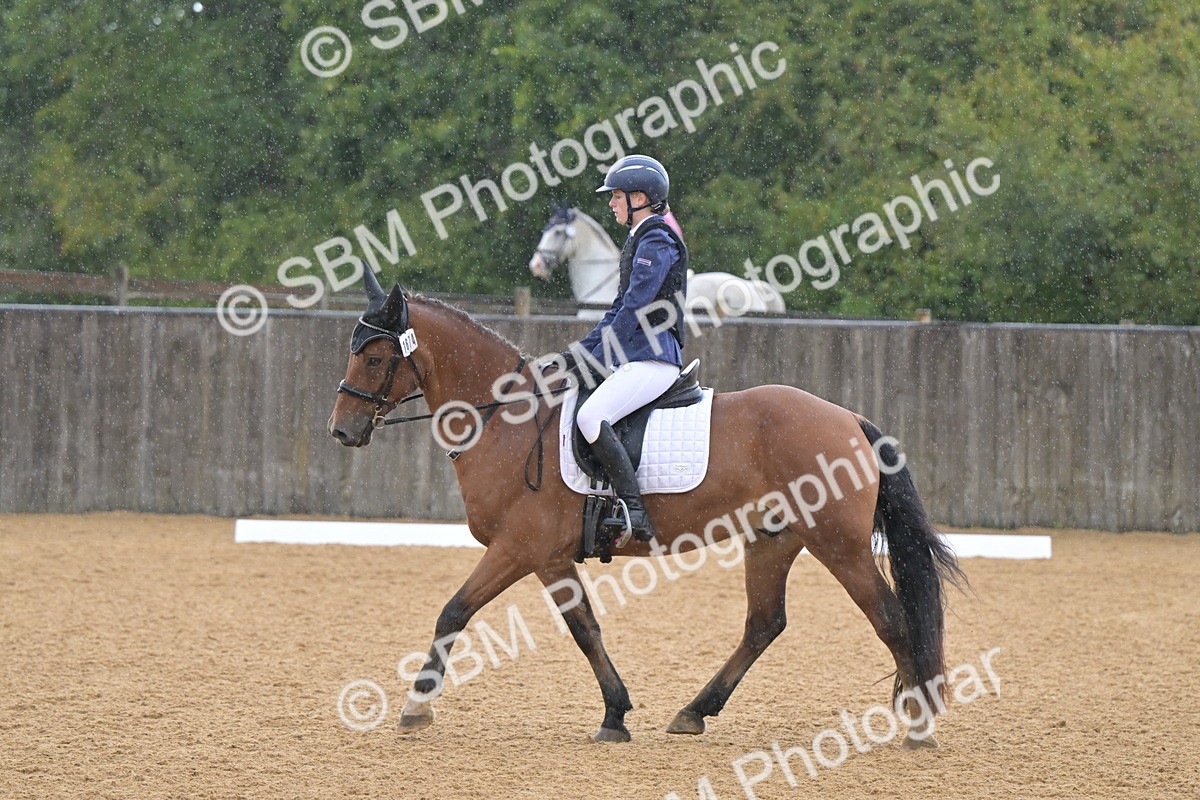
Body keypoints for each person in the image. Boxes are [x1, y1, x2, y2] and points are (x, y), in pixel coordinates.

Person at [558, 154, 689, 544]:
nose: (611, 203)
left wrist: (596, 357)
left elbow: (634, 308)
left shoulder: (657, 240)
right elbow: (617, 309)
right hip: (634, 358)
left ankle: (635, 512)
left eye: (616, 196)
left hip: (653, 359)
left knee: (591, 416)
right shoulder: (639, 240)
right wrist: (579, 353)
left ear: (640, 198)